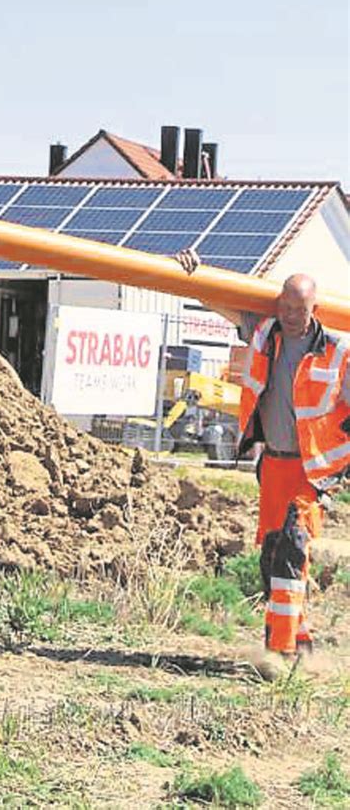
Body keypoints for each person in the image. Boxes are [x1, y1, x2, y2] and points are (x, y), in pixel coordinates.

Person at [176, 248, 350, 659]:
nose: (289, 315)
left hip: (315, 469)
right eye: (284, 306)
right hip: (272, 464)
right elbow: (222, 304)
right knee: (273, 556)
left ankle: (281, 651)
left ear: (315, 309)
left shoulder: (338, 353)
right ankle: (300, 638)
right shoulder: (264, 333)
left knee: (293, 541)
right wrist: (194, 274)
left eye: (298, 309)